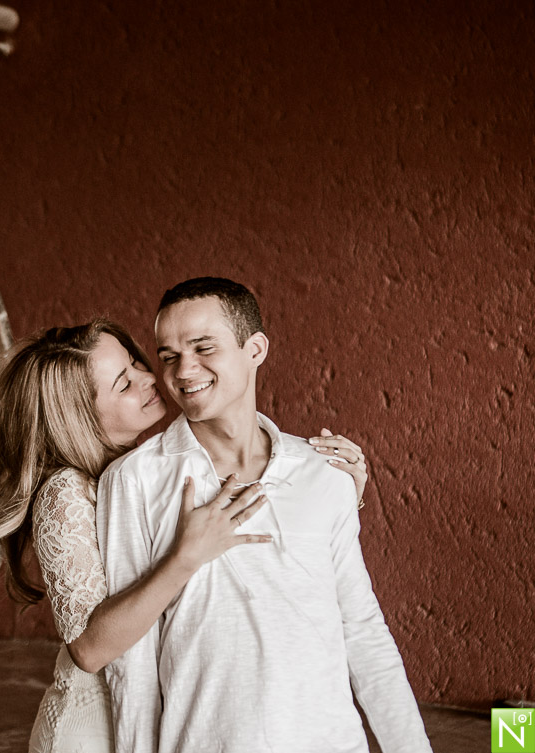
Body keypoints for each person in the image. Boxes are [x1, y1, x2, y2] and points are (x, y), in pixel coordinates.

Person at [0, 318, 370, 753]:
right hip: (95, 732)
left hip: (164, 718)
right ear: (80, 417)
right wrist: (185, 557)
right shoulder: (66, 492)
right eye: (124, 384)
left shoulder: (152, 469)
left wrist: (336, 496)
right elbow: (89, 650)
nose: (150, 379)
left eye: (136, 362)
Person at [97, 278, 429, 753]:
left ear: (255, 349)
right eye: (168, 355)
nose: (183, 370)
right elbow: (133, 660)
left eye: (203, 347)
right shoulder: (135, 480)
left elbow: (360, 627)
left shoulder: (325, 471)